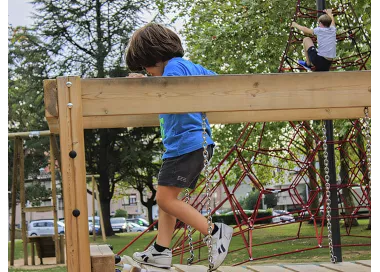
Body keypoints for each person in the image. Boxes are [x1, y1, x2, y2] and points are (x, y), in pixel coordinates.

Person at [125, 23, 233, 270]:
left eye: (146, 66)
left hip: (187, 144)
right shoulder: (190, 67)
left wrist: (145, 85)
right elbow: (218, 81)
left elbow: (168, 89)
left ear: (155, 55)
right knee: (168, 198)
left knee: (165, 199)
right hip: (189, 145)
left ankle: (216, 231)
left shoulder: (174, 68)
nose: (147, 72)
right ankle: (162, 250)